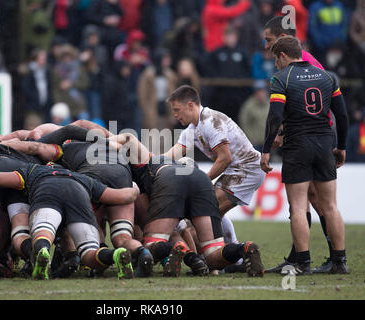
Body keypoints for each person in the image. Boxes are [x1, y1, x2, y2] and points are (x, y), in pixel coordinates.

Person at [107, 131, 265, 277]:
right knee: (212, 254)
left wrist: (102, 142)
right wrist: (195, 259)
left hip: (169, 180)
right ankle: (242, 248)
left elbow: (128, 137)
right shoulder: (171, 166)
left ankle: (170, 250)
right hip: (202, 181)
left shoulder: (148, 163)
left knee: (151, 245)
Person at [260, 36, 349, 275]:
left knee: (298, 207)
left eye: (275, 60)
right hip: (324, 144)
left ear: (283, 56)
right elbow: (341, 116)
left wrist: (266, 148)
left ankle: (302, 262)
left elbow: (275, 117)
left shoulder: (281, 78)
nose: (275, 65)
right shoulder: (328, 76)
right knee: (330, 206)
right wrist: (341, 146)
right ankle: (340, 262)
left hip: (298, 146)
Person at [0, 162, 140, 280]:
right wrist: (134, 189)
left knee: (44, 233)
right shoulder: (82, 178)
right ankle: (115, 255)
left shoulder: (33, 170)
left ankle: (42, 253)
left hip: (48, 191)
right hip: (79, 196)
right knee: (88, 254)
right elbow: (123, 196)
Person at [164, 85, 266, 257]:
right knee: (209, 210)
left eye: (177, 110)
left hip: (247, 169)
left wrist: (202, 181)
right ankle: (232, 256)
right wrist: (149, 161)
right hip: (237, 169)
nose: (174, 115)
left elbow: (225, 158)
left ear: (190, 105)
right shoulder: (192, 129)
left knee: (207, 211)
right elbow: (172, 154)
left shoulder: (211, 122)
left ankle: (223, 257)